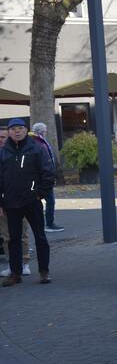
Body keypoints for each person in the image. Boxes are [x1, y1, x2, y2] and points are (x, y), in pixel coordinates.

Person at [0, 118, 55, 286]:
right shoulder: (3, 152)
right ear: (9, 132)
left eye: (20, 128)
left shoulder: (36, 149)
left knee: (40, 237)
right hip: (11, 203)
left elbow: (48, 173)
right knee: (13, 239)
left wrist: (39, 194)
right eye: (13, 129)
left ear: (26, 130)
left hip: (32, 201)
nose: (17, 131)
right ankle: (15, 273)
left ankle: (44, 272)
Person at [0, 126, 31, 276]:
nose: (0, 140)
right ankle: (11, 264)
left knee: (22, 233)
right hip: (4, 202)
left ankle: (24, 263)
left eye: (3, 137)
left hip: (19, 201)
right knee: (6, 235)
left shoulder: (18, 153)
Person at [31, 122, 64, 232]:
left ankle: (44, 224)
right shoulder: (40, 143)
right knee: (50, 201)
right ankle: (49, 224)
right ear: (41, 131)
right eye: (45, 130)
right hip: (44, 178)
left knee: (45, 201)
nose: (46, 132)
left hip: (44, 177)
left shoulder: (39, 142)